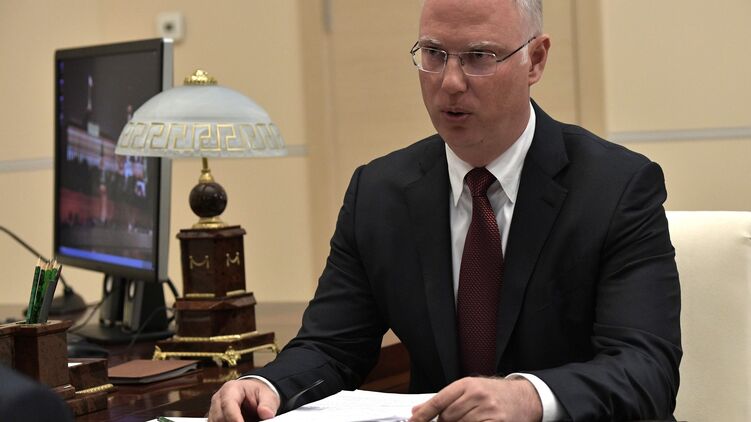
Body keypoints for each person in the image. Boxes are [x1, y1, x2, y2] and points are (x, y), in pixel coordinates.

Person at [209, 0, 682, 420]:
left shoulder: (616, 188)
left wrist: (529, 398)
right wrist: (265, 385)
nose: (450, 82)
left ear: (536, 60)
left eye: (479, 57)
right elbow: (331, 346)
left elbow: (646, 368)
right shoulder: (379, 193)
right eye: (434, 54)